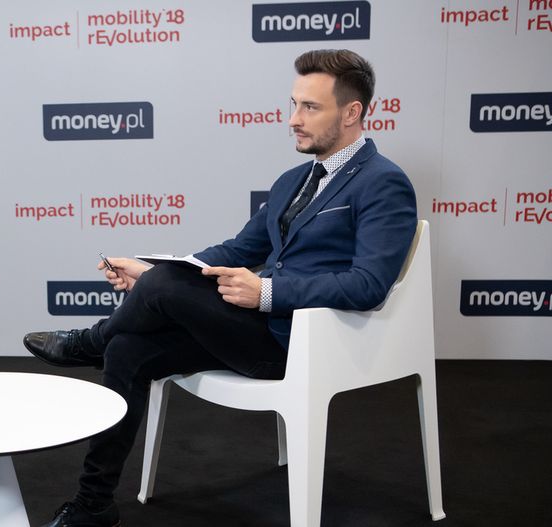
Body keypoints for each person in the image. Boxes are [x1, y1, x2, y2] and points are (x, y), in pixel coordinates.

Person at [22, 49, 418, 527]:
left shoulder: (383, 182)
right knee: (127, 349)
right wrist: (150, 271)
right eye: (293, 104)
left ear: (352, 112)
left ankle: (89, 342)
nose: (293, 119)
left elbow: (369, 285)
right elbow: (238, 249)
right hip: (251, 329)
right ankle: (93, 505)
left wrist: (267, 293)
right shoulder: (292, 180)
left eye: (310, 107)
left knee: (155, 295)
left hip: (302, 345)